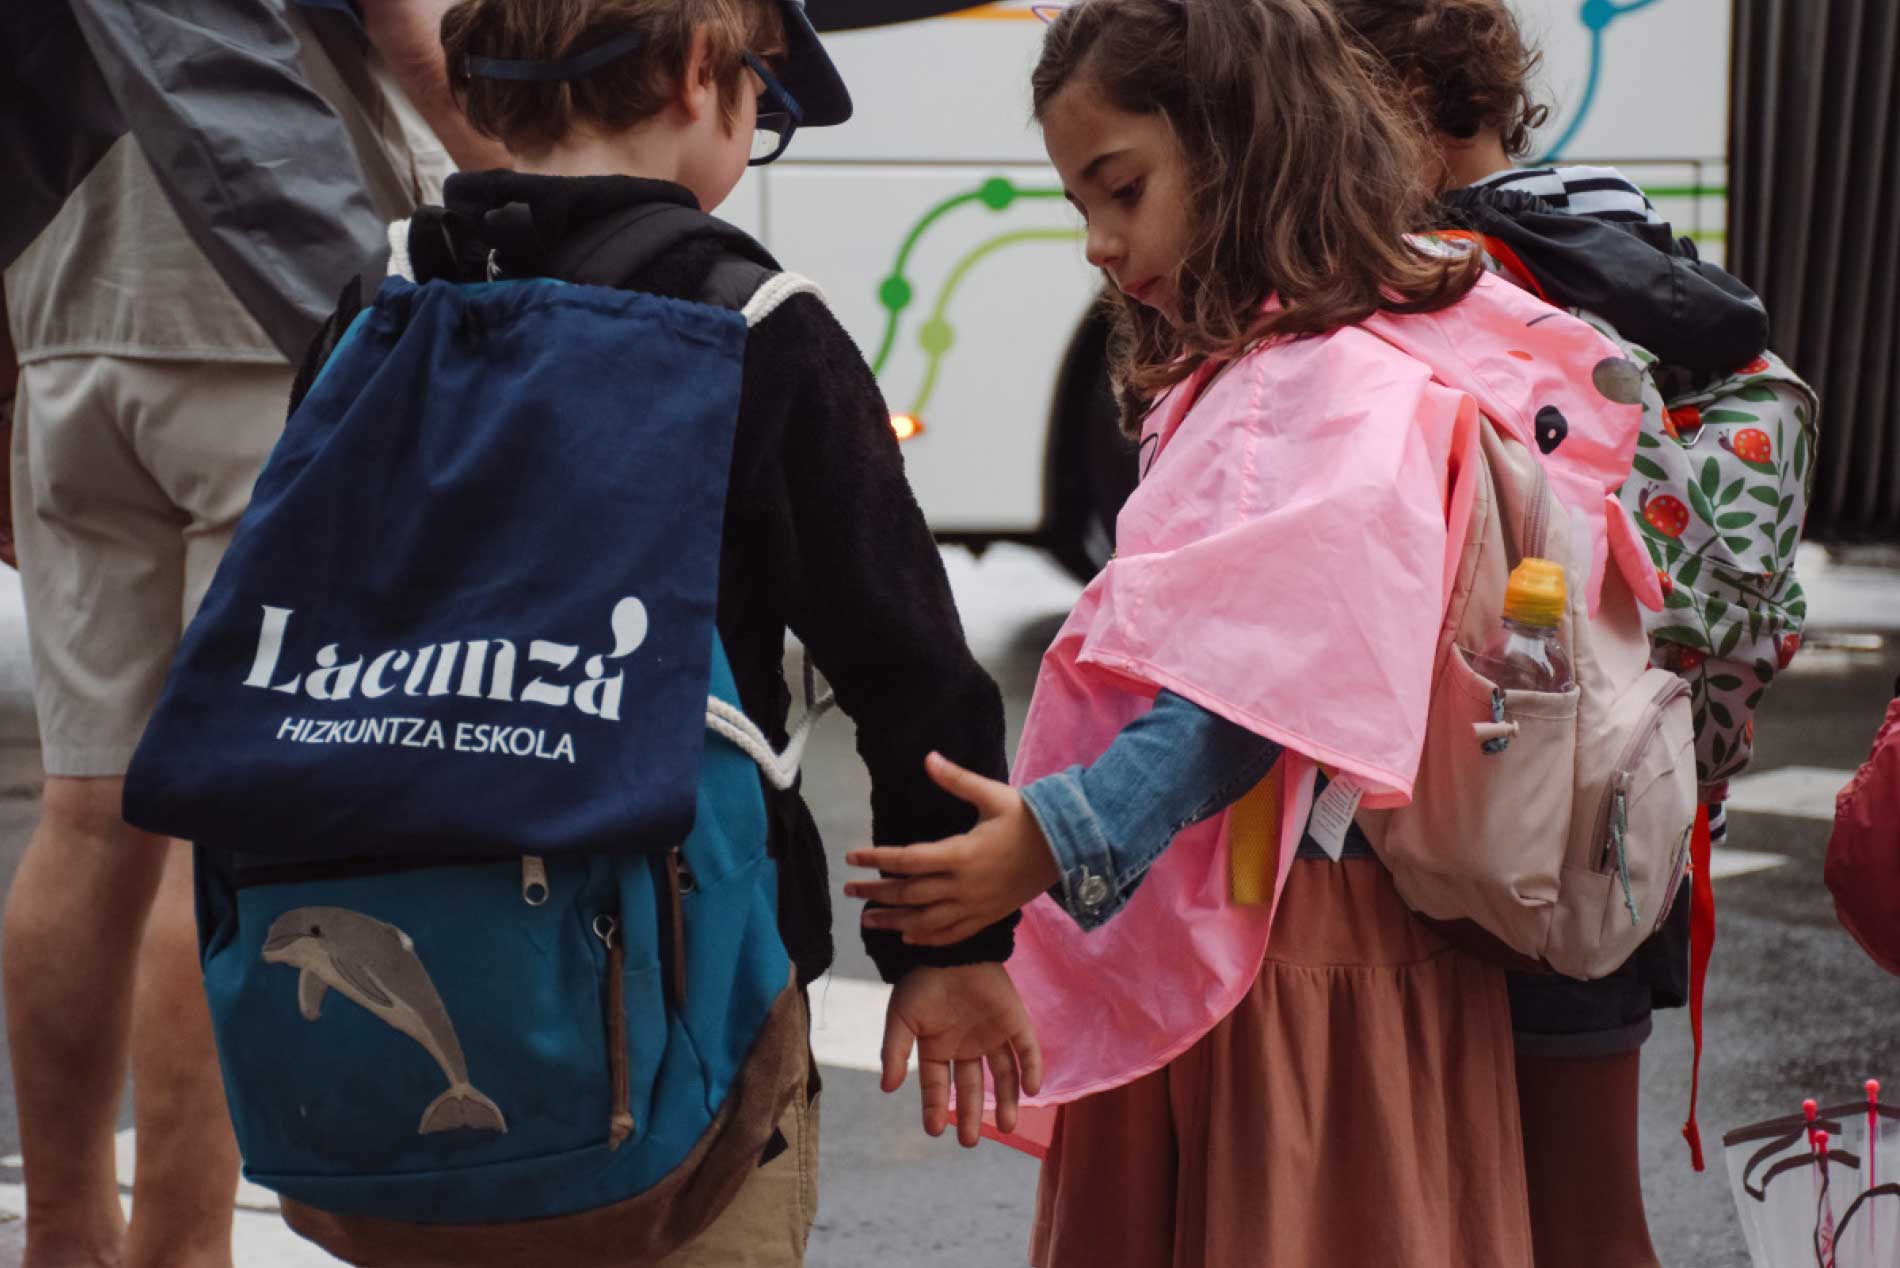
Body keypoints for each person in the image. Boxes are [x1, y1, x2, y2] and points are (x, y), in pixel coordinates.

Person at [846, 1, 1654, 1263]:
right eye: (1079, 207)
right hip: (1268, 944)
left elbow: (1252, 688)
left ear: (1241, 143)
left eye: (1121, 189)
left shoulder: (1325, 379)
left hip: (1288, 960)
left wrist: (1062, 837)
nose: (1102, 244)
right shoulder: (1327, 346)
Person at [388, 0, 1039, 1258]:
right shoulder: (748, 319)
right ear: (703, 73)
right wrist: (948, 946)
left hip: (430, 940)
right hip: (695, 981)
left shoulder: (395, 299)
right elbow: (904, 663)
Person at [0, 5, 505, 1264]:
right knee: (219, 828)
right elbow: (414, 31)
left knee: (85, 808)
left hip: (66, 321)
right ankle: (181, 1239)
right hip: (274, 321)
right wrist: (546, 178)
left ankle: (65, 1226)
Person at [1330, 4, 1782, 1263]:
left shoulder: (1446, 281)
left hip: (1505, 800)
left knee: (1548, 1214)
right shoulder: (1626, 237)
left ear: (1409, 93)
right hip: (1636, 800)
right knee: (1578, 1200)